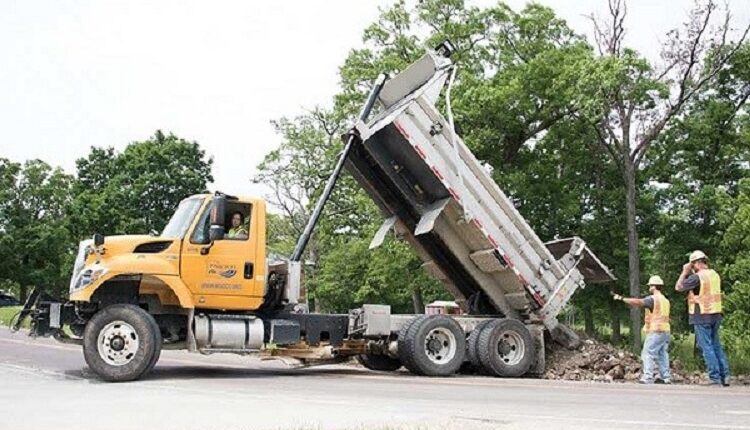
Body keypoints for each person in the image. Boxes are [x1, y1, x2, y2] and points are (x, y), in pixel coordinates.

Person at [675, 250, 730, 386]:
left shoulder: (697, 277)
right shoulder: (714, 275)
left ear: (696, 263)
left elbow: (678, 287)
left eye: (692, 264)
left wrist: (684, 272)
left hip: (702, 315)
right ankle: (725, 376)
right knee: (716, 345)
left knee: (707, 347)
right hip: (716, 314)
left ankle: (714, 377)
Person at [613, 275, 671, 384]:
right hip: (666, 330)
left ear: (654, 287)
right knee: (662, 354)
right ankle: (666, 377)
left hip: (656, 330)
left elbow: (638, 302)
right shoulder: (665, 300)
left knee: (647, 353)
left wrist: (622, 298)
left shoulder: (653, 299)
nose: (649, 287)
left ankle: (648, 377)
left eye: (650, 285)